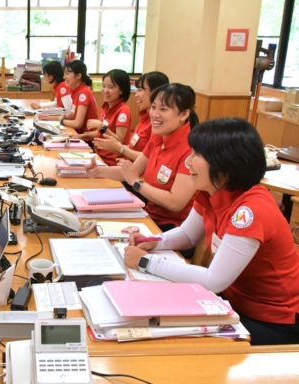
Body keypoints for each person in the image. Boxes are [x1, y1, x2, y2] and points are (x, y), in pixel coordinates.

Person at [123, 117, 299, 346]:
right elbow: (188, 235)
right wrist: (154, 241)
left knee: (180, 340)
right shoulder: (210, 191)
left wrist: (146, 262)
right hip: (233, 302)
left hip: (274, 321)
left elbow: (213, 280)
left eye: (197, 154)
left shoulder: (250, 210)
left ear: (226, 162)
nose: (188, 162)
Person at [86, 83, 198, 257]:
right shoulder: (158, 136)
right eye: (153, 107)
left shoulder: (190, 149)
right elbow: (131, 171)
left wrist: (137, 184)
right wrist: (98, 170)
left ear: (184, 114)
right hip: (148, 216)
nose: (155, 114)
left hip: (173, 230)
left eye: (163, 109)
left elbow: (175, 203)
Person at [94, 71, 169, 163]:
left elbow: (150, 158)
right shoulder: (144, 118)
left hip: (114, 162)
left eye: (140, 90)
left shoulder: (158, 124)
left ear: (156, 92)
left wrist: (119, 148)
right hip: (120, 164)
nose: (136, 95)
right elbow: (132, 148)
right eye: (104, 86)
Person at [85, 69, 133, 166]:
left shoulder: (123, 110)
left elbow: (118, 141)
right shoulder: (106, 106)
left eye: (110, 87)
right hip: (99, 156)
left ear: (121, 90)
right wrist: (82, 135)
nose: (105, 90)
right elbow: (101, 133)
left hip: (112, 162)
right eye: (103, 86)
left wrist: (101, 126)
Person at [49, 60, 98, 139]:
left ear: (78, 76)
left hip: (86, 137)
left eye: (67, 74)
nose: (64, 77)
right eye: (64, 74)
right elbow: (72, 115)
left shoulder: (83, 93)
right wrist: (49, 118)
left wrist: (62, 121)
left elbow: (78, 124)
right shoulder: (77, 91)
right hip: (78, 134)